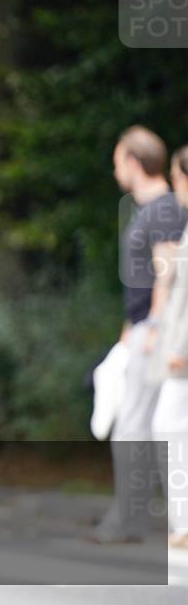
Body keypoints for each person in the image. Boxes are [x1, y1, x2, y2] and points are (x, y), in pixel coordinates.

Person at [90, 126, 188, 543]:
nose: (115, 170)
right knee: (150, 422)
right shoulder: (152, 208)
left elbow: (167, 275)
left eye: (117, 161)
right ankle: (145, 518)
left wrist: (155, 329)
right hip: (145, 328)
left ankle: (133, 520)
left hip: (157, 330)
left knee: (141, 423)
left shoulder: (165, 209)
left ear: (133, 162)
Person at [149, 145, 188, 548]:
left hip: (184, 353)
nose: (175, 186)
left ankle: (184, 524)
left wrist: (181, 346)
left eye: (179, 178)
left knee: (168, 427)